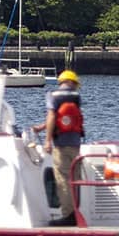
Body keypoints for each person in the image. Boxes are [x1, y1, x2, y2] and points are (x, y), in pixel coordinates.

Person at [45, 70, 86, 222]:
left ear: (61, 81)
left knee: (62, 180)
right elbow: (72, 118)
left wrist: (47, 140)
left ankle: (68, 215)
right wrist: (42, 127)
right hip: (76, 145)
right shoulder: (76, 97)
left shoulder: (53, 96)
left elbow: (53, 117)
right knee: (75, 180)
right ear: (74, 83)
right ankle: (77, 212)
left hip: (60, 145)